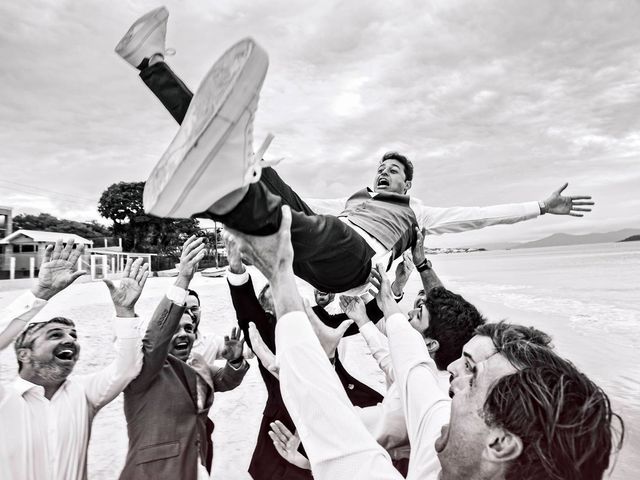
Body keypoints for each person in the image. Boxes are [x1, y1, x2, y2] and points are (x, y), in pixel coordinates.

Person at [115, 7, 594, 294]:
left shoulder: (421, 213)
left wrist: (538, 208)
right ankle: (150, 61)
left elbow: (484, 215)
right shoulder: (351, 203)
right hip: (315, 241)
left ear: (408, 183)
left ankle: (226, 197)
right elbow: (307, 209)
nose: (384, 174)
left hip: (350, 266)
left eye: (393, 171)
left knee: (310, 224)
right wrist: (259, 175)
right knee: (260, 175)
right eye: (381, 168)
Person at [226, 205, 623, 480]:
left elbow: (333, 428)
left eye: (473, 376)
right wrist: (385, 304)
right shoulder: (449, 446)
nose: (450, 372)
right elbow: (413, 369)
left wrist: (280, 274)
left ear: (500, 443)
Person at [224, 236, 383, 480]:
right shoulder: (266, 331)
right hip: (286, 427)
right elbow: (248, 313)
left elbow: (360, 317)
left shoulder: (315, 320)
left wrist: (393, 291)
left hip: (337, 415)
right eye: (278, 296)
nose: (289, 299)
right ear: (268, 311)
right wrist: (236, 271)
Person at [0, 239, 149, 480]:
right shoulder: (5, 400)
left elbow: (128, 367)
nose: (70, 339)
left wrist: (124, 312)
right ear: (23, 353)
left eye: (73, 335)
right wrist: (41, 293)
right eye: (55, 335)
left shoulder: (83, 393)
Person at [119, 236, 249, 480]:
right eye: (175, 328)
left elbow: (224, 380)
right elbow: (156, 337)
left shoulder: (198, 362)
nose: (184, 334)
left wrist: (234, 362)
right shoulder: (143, 369)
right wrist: (183, 279)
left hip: (198, 462)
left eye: (189, 329)